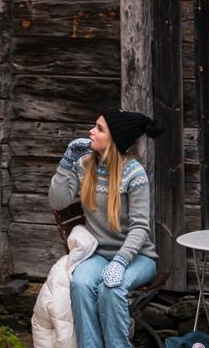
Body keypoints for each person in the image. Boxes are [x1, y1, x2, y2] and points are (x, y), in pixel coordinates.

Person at [45, 109, 161, 348]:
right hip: (99, 255)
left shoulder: (134, 174)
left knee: (112, 287)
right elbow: (57, 201)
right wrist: (66, 163)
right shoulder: (84, 165)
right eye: (94, 126)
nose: (91, 131)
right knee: (81, 283)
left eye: (99, 128)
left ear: (115, 138)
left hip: (138, 257)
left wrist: (120, 261)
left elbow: (140, 227)